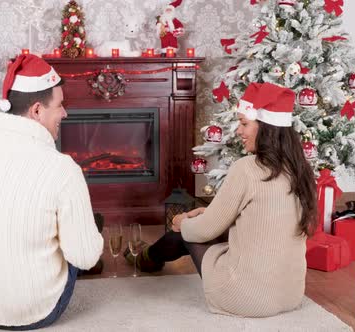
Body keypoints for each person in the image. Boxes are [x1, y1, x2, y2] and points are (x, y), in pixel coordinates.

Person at [0, 54, 104, 329]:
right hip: (30, 310)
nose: (64, 113)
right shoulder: (62, 168)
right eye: (60, 105)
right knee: (86, 237)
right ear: (37, 110)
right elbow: (85, 258)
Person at [125, 82, 317, 317]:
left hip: (247, 299)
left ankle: (148, 257)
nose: (238, 131)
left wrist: (182, 221)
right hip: (291, 295)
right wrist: (209, 215)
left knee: (187, 233)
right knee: (205, 223)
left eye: (244, 124)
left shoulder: (246, 168)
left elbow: (203, 232)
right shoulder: (302, 171)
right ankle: (149, 256)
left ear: (266, 128)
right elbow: (263, 219)